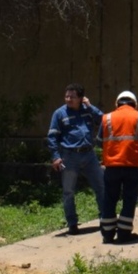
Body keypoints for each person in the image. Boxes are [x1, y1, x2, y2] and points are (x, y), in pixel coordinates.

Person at [96, 91, 138, 244]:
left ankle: (107, 234)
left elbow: (99, 141)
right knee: (129, 199)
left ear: (117, 104)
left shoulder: (107, 118)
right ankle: (124, 233)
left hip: (112, 166)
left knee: (109, 198)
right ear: (135, 104)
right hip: (133, 165)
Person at [46, 83, 106, 235]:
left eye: (72, 97)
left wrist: (90, 107)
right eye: (66, 96)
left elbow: (104, 121)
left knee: (101, 186)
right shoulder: (59, 113)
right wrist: (56, 157)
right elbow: (52, 136)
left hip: (89, 155)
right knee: (68, 191)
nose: (68, 99)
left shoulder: (87, 110)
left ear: (81, 98)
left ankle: (105, 219)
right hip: (69, 156)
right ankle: (72, 224)